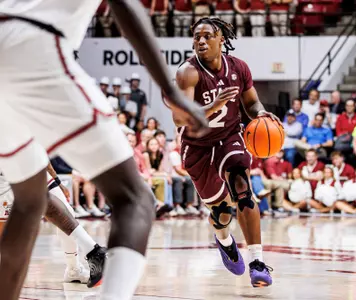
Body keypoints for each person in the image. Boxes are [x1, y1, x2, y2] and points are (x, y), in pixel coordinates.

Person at [0, 0, 207, 299]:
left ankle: (87, 253)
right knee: (136, 199)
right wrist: (171, 89)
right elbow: (125, 6)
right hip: (34, 46)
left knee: (29, 202)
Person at [174, 17, 277, 287]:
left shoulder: (239, 68)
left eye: (207, 36)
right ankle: (224, 240)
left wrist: (261, 114)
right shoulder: (188, 72)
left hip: (229, 137)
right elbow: (179, 117)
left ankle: (257, 262)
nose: (201, 41)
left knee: (242, 190)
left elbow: (251, 102)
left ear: (221, 38)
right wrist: (213, 106)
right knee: (221, 213)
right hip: (197, 146)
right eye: (196, 37)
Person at [0, 164, 107, 287]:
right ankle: (93, 252)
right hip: (7, 177)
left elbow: (41, 151)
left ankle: (74, 268)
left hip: (28, 166)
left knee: (67, 213)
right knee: (10, 237)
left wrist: (57, 181)